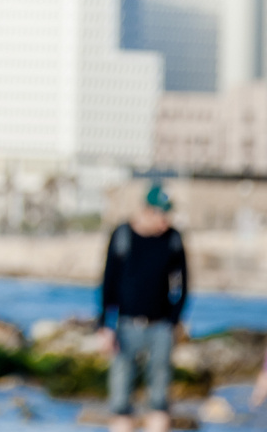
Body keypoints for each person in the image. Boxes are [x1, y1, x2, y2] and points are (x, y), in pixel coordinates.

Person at [99, 183, 190, 432]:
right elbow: (108, 282)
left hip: (161, 327)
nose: (165, 220)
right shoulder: (122, 235)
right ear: (146, 210)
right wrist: (104, 326)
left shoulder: (173, 238)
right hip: (126, 325)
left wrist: (174, 320)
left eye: (167, 214)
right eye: (161, 214)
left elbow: (183, 284)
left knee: (159, 400)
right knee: (120, 400)